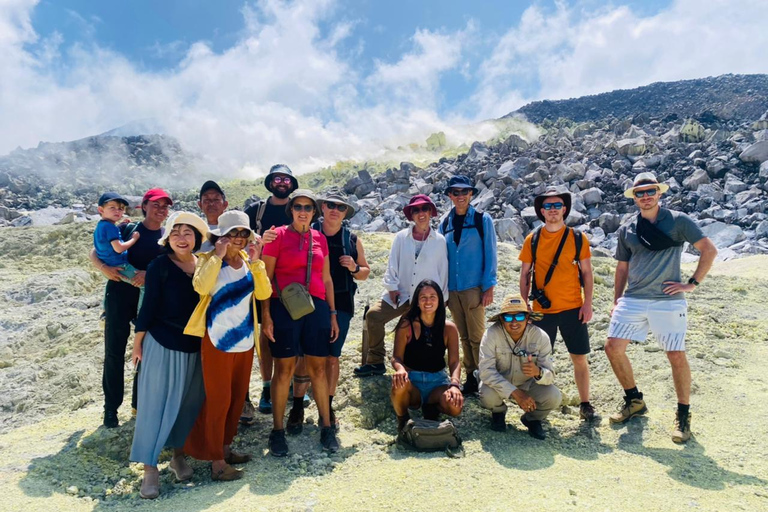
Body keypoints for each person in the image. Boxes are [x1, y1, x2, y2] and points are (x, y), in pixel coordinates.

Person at [606, 172, 717, 443]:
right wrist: (616, 299)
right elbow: (622, 267)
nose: (645, 196)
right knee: (612, 347)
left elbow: (709, 250)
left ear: (659, 193)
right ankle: (634, 401)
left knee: (675, 356)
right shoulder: (628, 229)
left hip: (668, 301)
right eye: (640, 193)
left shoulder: (678, 221)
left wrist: (691, 283)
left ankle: (683, 415)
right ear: (634, 198)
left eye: (650, 191)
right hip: (633, 298)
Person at [182, 211, 271, 481]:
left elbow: (264, 293)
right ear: (221, 236)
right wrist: (218, 256)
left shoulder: (249, 261)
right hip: (217, 340)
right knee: (218, 401)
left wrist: (257, 264)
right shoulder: (208, 260)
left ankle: (226, 448)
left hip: (244, 341)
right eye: (233, 233)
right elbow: (201, 287)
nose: (239, 238)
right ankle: (216, 462)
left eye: (243, 233)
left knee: (235, 400)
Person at [128, 212, 208, 499]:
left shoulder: (205, 266)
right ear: (168, 238)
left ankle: (178, 456)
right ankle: (150, 470)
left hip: (195, 345)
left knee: (187, 405)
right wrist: (138, 342)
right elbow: (147, 307)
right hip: (161, 342)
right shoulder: (159, 265)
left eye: (188, 232)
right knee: (154, 406)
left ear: (197, 238)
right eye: (176, 232)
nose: (182, 238)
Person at [261, 189, 340, 456]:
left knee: (318, 368)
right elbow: (266, 279)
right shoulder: (277, 237)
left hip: (316, 306)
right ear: (291, 210)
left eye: (308, 207)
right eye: (298, 207)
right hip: (284, 306)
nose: (303, 211)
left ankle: (326, 428)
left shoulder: (320, 239)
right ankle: (277, 431)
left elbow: (326, 278)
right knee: (284, 370)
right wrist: (267, 316)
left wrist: (332, 313)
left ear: (314, 212)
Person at [90, 188, 172, 428]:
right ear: (144, 206)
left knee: (145, 353)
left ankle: (139, 405)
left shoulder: (168, 237)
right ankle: (110, 409)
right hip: (118, 295)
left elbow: (171, 267)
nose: (161, 210)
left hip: (149, 300)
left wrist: (150, 275)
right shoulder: (127, 229)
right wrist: (102, 268)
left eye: (165, 206)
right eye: (156, 204)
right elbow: (95, 251)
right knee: (114, 352)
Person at [288, 190, 370, 428]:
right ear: (321, 208)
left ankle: (328, 406)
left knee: (332, 357)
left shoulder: (352, 240)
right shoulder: (306, 232)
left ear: (345, 213)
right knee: (303, 355)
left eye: (341, 207)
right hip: (308, 301)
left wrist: (354, 267)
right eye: (331, 205)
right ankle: (297, 406)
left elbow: (365, 272)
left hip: (341, 303)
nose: (335, 210)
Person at [518, 186, 597, 421]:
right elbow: (525, 275)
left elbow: (587, 272)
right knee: (538, 359)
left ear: (564, 209)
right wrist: (524, 306)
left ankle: (585, 403)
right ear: (541, 211)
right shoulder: (532, 239)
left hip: (574, 308)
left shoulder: (577, 237)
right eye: (548, 206)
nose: (552, 210)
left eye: (557, 206)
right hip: (543, 311)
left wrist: (588, 303)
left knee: (579, 357)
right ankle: (537, 403)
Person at [354, 194, 449, 376]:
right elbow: (392, 264)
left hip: (424, 299)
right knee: (373, 316)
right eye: (416, 210)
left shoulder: (439, 241)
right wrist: (392, 287)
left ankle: (416, 365)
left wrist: (442, 300)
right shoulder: (401, 237)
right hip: (401, 293)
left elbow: (442, 271)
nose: (421, 213)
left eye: (425, 209)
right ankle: (375, 361)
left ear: (431, 212)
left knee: (419, 330)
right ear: (411, 215)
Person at [243, 164, 300, 419]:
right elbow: (239, 238)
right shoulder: (256, 210)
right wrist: (258, 240)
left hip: (292, 281)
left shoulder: (298, 208)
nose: (282, 182)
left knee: (294, 331)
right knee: (265, 334)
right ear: (270, 182)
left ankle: (291, 384)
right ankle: (268, 387)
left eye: (286, 179)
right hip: (261, 280)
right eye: (277, 178)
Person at [438, 175, 497, 395]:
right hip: (452, 289)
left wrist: (489, 285)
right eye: (455, 192)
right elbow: (441, 257)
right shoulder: (445, 223)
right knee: (463, 336)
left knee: (477, 336)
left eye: (465, 192)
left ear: (471, 194)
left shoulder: (483, 220)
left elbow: (491, 253)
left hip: (474, 287)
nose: (460, 196)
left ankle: (484, 377)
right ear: (450, 195)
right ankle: (471, 377)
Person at [478, 294, 561, 440]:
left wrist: (539, 373)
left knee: (554, 397)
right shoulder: (491, 335)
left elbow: (551, 376)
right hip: (500, 383)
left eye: (520, 317)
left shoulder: (541, 337)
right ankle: (498, 412)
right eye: (509, 318)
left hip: (529, 384)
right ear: (502, 319)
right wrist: (515, 393)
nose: (514, 322)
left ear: (527, 318)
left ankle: (532, 418)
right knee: (486, 394)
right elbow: (485, 372)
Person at [391, 279, 463, 433]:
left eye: (433, 297)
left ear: (440, 301)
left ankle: (432, 407)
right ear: (417, 302)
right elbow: (396, 358)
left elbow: (455, 361)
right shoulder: (406, 324)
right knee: (398, 382)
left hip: (437, 382)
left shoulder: (449, 328)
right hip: (412, 381)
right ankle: (402, 419)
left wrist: (455, 384)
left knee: (455, 407)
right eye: (423, 297)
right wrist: (400, 369)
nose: (428, 301)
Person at [93, 192, 143, 302]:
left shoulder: (101, 225)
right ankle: (141, 315)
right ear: (101, 210)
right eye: (112, 208)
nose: (117, 211)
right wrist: (134, 239)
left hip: (108, 264)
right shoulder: (110, 227)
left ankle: (105, 311)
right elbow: (118, 248)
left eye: (121, 208)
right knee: (145, 286)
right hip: (120, 266)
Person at [197, 180, 229, 252]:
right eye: (206, 200)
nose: (211, 203)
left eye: (216, 199)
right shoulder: (195, 233)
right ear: (200, 205)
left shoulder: (234, 231)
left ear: (225, 205)